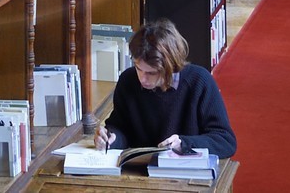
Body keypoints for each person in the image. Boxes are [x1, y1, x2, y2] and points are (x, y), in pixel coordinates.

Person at [94, 19, 237, 158]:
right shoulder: (128, 80)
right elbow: (121, 129)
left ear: (170, 66)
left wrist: (184, 144)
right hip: (139, 167)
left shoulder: (199, 81)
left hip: (183, 169)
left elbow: (225, 141)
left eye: (151, 73)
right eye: (138, 68)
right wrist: (111, 138)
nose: (142, 79)